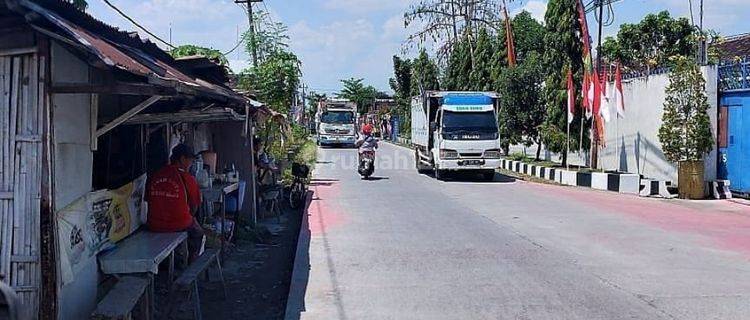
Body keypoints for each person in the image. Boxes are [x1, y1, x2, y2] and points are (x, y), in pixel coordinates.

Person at [146, 144, 204, 261]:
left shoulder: (156, 175)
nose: (191, 164)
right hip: (178, 224)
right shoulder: (187, 178)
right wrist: (190, 217)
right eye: (190, 161)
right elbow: (195, 206)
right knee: (198, 233)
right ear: (182, 159)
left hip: (154, 225)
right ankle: (191, 265)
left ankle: (176, 259)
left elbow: (148, 200)